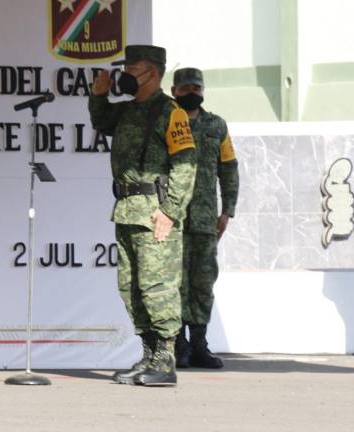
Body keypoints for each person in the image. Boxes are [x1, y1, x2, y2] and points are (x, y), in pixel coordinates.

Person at [89, 45, 197, 386]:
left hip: (153, 214)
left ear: (152, 71)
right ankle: (149, 354)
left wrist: (170, 211)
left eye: (132, 68)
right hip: (126, 210)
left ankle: (165, 360)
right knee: (132, 287)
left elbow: (185, 166)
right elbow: (102, 121)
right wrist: (99, 96)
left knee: (157, 287)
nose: (126, 74)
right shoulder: (129, 111)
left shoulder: (171, 112)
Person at [170, 68, 239, 369]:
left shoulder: (216, 125)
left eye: (196, 88)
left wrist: (227, 211)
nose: (191, 93)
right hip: (173, 219)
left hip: (205, 220)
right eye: (185, 88)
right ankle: (178, 346)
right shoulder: (167, 121)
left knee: (202, 282)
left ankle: (199, 344)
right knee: (174, 283)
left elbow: (229, 169)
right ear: (173, 91)